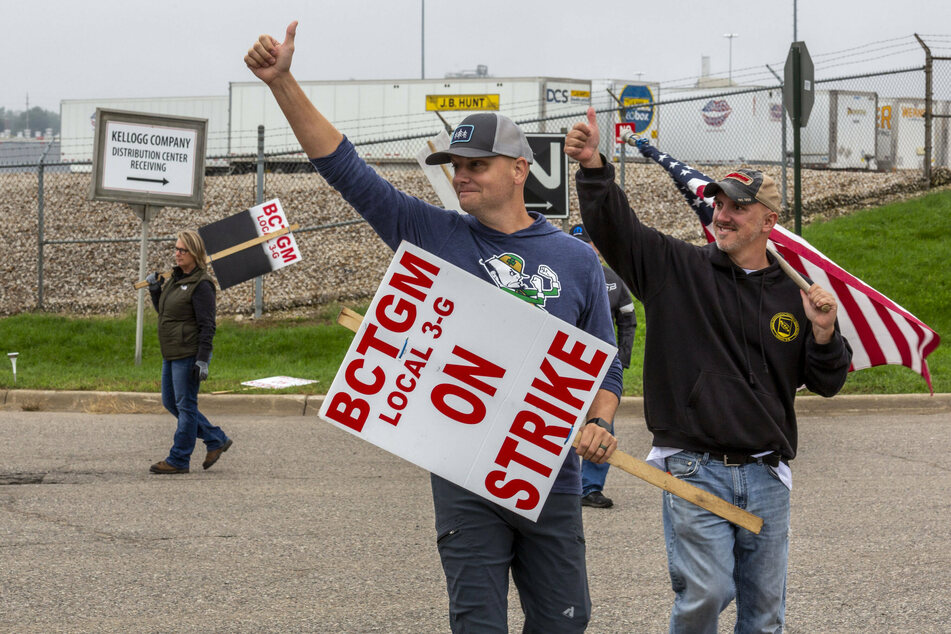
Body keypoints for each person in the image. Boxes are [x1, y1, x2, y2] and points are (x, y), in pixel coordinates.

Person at [245, 22, 623, 632]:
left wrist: (601, 420)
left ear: (521, 168)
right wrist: (282, 82)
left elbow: (605, 363)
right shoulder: (433, 233)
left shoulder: (576, 260)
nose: (461, 173)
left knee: (564, 625)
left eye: (477, 163)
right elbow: (345, 170)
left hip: (549, 478)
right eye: (454, 164)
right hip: (466, 476)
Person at [566, 108, 852, 633]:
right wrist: (593, 168)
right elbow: (617, 230)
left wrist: (824, 332)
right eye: (719, 202)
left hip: (767, 472)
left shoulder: (798, 294)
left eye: (738, 207)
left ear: (768, 220)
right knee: (707, 593)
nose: (722, 214)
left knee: (764, 616)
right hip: (694, 465)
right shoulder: (678, 270)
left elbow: (829, 382)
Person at [147, 230, 232, 474]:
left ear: (194, 253)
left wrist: (203, 360)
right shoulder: (174, 279)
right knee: (171, 402)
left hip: (189, 353)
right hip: (171, 352)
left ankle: (179, 459)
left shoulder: (202, 285)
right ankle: (215, 438)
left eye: (182, 250)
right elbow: (167, 313)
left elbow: (208, 326)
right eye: (176, 249)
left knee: (185, 406)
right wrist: (155, 291)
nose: (177, 254)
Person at [570, 223, 636, 509]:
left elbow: (628, 320)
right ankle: (559, 486)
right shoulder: (559, 274)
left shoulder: (612, 279)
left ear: (597, 247)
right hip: (565, 365)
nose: (584, 248)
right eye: (578, 243)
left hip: (601, 368)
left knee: (601, 425)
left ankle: (591, 488)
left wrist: (622, 358)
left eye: (588, 243)